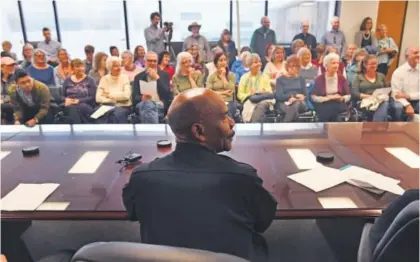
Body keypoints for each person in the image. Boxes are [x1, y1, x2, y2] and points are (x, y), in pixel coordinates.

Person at [122, 88, 277, 262]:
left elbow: (133, 212)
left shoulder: (142, 177)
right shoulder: (242, 177)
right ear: (199, 131)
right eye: (224, 117)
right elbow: (262, 222)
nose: (232, 122)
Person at [132, 51, 172, 124]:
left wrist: (157, 78)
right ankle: (155, 133)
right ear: (145, 61)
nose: (152, 63)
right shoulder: (138, 77)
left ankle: (149, 133)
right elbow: (135, 97)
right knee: (148, 104)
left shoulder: (164, 75)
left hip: (159, 104)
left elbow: (167, 94)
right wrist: (142, 98)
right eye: (150, 61)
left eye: (154, 61)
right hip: (143, 104)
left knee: (149, 109)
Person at [311, 52, 350, 122]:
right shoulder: (319, 79)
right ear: (326, 65)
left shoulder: (342, 78)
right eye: (333, 63)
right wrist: (327, 98)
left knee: (333, 107)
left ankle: (327, 128)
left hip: (338, 103)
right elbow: (313, 97)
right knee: (329, 108)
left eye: (337, 63)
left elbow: (348, 95)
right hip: (324, 104)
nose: (336, 65)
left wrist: (342, 98)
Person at [237, 53, 274, 123]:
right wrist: (250, 94)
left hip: (263, 100)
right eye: (256, 62)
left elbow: (270, 92)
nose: (259, 64)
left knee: (261, 106)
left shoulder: (264, 76)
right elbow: (240, 95)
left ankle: (252, 125)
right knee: (257, 112)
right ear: (250, 65)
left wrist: (263, 91)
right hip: (250, 101)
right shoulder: (244, 77)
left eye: (259, 62)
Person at [351, 55, 389, 122]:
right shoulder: (358, 77)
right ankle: (377, 126)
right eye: (371, 64)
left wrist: (380, 96)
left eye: (375, 64)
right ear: (365, 65)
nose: (374, 66)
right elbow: (354, 93)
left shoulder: (381, 76)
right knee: (383, 107)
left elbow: (387, 89)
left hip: (380, 100)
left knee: (385, 104)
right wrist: (370, 96)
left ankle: (375, 125)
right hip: (364, 101)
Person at [95, 56, 131, 123]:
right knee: (97, 115)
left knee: (115, 115)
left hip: (122, 106)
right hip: (106, 106)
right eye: (115, 66)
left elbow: (126, 96)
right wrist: (115, 99)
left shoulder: (125, 77)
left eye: (119, 66)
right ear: (110, 68)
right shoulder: (104, 79)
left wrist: (108, 95)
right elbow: (98, 98)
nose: (119, 68)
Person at [62, 58, 97, 124]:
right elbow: (63, 96)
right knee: (71, 108)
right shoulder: (67, 80)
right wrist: (66, 100)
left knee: (76, 108)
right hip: (69, 104)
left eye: (82, 66)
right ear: (73, 69)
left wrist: (78, 101)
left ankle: (77, 128)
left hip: (85, 104)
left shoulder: (90, 80)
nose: (81, 68)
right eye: (77, 66)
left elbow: (92, 97)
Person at [275, 55, 308, 122]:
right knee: (292, 110)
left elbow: (306, 95)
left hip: (300, 103)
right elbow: (279, 96)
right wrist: (293, 96)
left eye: (296, 66)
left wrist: (302, 97)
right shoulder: (280, 80)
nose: (294, 68)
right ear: (287, 66)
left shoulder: (301, 79)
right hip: (284, 103)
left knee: (296, 104)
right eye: (291, 66)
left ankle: (284, 127)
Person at [391, 47, 419, 120]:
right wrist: (407, 105)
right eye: (415, 53)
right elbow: (396, 95)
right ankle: (399, 129)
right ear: (407, 57)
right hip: (401, 101)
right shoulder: (398, 72)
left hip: (417, 100)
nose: (419, 55)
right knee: (398, 107)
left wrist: (409, 96)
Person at [206, 52, 236, 117]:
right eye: (221, 60)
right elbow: (208, 92)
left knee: (227, 114)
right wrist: (223, 92)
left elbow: (231, 91)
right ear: (216, 63)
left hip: (228, 101)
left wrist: (223, 77)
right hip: (215, 101)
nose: (223, 62)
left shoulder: (231, 75)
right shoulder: (211, 76)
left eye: (225, 60)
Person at [1, 57, 16, 124]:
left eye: (13, 65)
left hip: (11, 103)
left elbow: (15, 95)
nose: (12, 67)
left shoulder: (16, 78)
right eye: (9, 65)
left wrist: (3, 100)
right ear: (1, 67)